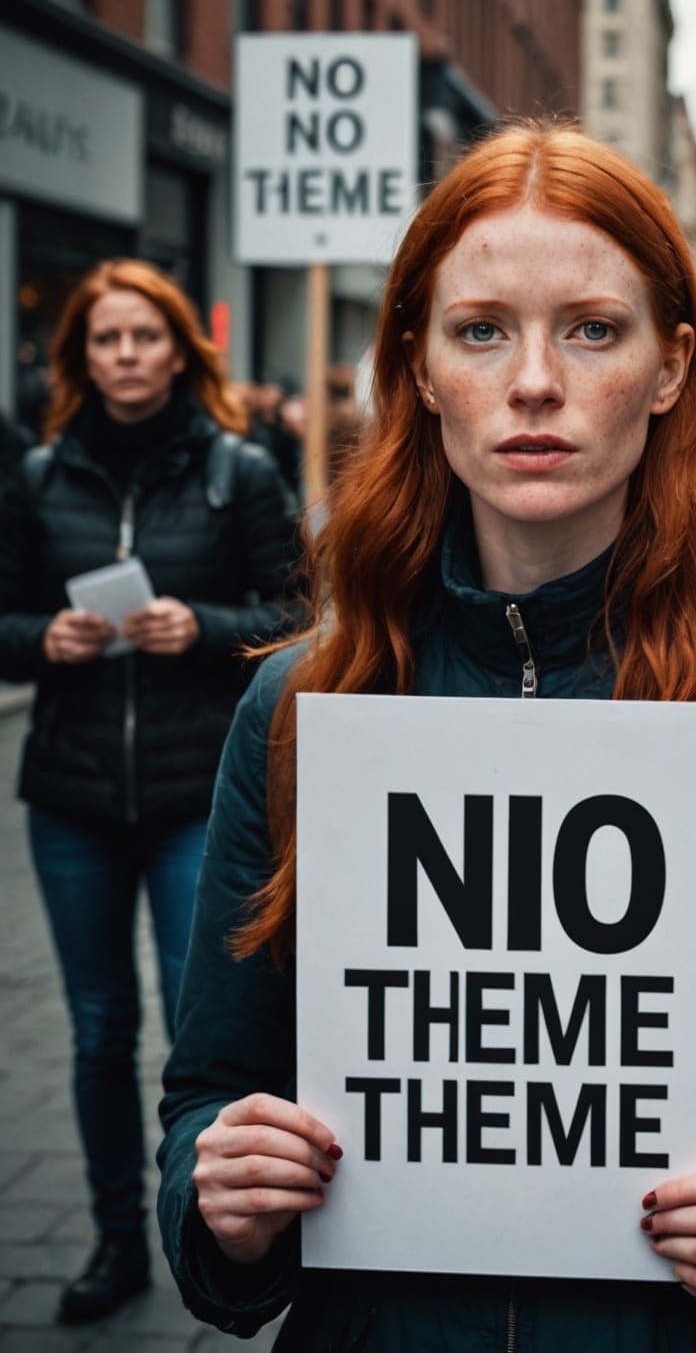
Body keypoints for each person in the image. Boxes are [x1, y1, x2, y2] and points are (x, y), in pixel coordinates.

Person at [155, 123, 696, 1352]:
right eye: (483, 328)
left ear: (671, 369)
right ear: (420, 367)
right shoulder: (297, 713)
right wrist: (221, 1195)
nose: (537, 380)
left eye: (594, 329)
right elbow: (207, 1094)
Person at [0, 259, 299, 1325]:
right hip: (73, 797)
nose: (124, 356)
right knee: (93, 1026)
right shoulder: (39, 478)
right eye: (103, 340)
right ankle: (116, 1239)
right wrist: (44, 638)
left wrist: (203, 628)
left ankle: (199, 1230)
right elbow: (3, 620)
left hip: (194, 800)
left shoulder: (239, 471)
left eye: (143, 336)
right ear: (82, 358)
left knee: (196, 1028)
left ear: (181, 348)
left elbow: (295, 620)